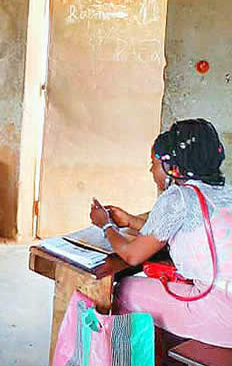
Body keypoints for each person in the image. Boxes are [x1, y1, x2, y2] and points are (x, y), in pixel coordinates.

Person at [90, 118, 232, 348]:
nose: (150, 169)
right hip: (226, 301)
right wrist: (130, 221)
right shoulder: (223, 192)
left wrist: (106, 225)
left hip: (222, 313)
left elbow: (131, 255)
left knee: (123, 290)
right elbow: (184, 230)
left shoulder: (179, 197)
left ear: (172, 168)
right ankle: (168, 357)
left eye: (154, 163)